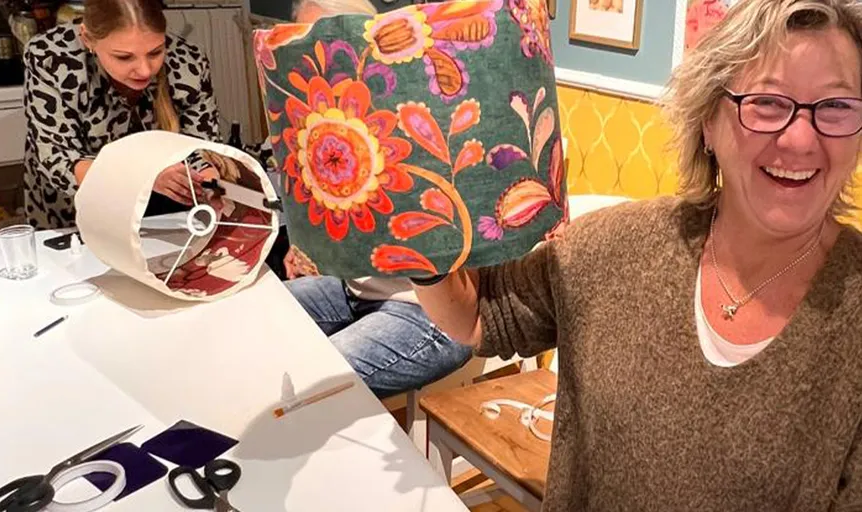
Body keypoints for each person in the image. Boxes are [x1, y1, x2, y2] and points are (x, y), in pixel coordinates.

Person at [414, 0, 862, 509]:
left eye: (836, 107)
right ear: (708, 123)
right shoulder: (611, 248)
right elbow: (477, 315)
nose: (801, 138)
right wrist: (413, 237)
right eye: (766, 103)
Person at [280, 0, 473, 400]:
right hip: (352, 287)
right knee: (251, 323)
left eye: (322, 43)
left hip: (429, 310)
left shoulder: (418, 119)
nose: (309, 57)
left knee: (309, 383)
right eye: (299, 44)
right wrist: (309, 247)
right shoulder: (320, 121)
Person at [22, 0, 221, 229]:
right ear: (87, 39)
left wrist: (211, 185)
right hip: (75, 206)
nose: (145, 69)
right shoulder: (50, 59)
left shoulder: (189, 63)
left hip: (164, 208)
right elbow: (59, 159)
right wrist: (145, 176)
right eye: (124, 57)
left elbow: (202, 149)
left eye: (156, 52)